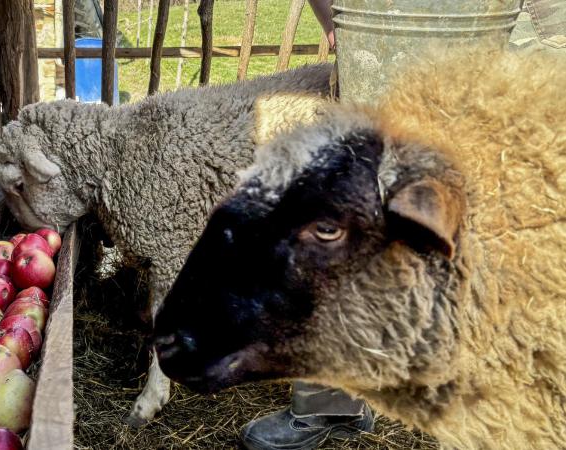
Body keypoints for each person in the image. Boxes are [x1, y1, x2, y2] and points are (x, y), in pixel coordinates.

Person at [240, 1, 563, 449]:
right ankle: (331, 402)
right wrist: (338, 21)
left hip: (534, 32)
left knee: (523, 227)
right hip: (391, 36)